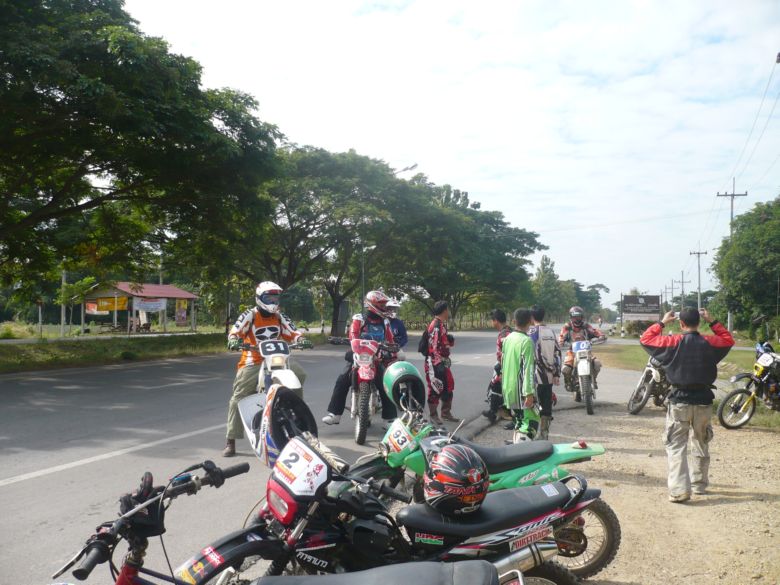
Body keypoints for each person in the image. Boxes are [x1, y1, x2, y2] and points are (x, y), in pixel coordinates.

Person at [640, 308, 733, 503]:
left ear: (681, 324)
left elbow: (646, 339)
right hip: (704, 400)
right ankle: (699, 485)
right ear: (699, 322)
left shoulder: (672, 342)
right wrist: (712, 321)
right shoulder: (709, 342)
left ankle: (680, 490)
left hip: (679, 401)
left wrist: (663, 322)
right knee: (701, 442)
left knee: (676, 445)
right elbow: (727, 339)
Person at [223, 281, 307, 457]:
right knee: (238, 397)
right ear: (260, 298)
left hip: (277, 358)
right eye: (269, 298)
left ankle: (298, 420)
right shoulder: (250, 315)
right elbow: (235, 331)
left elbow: (293, 331)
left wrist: (301, 339)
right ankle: (231, 440)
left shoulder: (279, 316)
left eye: (276, 298)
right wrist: (233, 340)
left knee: (299, 375)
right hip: (253, 360)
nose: (274, 301)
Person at [322, 291, 398, 427]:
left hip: (376, 358)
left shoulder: (385, 322)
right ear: (372, 304)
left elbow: (390, 340)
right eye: (381, 305)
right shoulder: (359, 319)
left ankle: (389, 419)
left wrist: (392, 350)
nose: (384, 307)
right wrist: (352, 344)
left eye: (384, 305)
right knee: (342, 380)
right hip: (359, 355)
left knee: (386, 383)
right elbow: (353, 335)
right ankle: (335, 414)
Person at [501, 308, 540, 443]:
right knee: (530, 423)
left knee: (519, 420)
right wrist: (529, 393)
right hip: (521, 391)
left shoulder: (507, 339)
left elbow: (503, 364)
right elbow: (528, 369)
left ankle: (515, 447)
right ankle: (521, 450)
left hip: (508, 389)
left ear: (514, 321)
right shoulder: (526, 341)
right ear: (530, 321)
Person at [558, 305, 604, 401]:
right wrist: (561, 342)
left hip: (586, 352)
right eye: (575, 317)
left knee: (597, 364)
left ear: (582, 316)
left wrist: (600, 336)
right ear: (571, 317)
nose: (577, 319)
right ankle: (568, 382)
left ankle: (593, 379)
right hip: (572, 352)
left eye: (578, 316)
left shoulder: (586, 326)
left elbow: (595, 331)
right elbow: (561, 337)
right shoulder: (567, 327)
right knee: (565, 369)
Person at [529, 305, 561, 440]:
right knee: (546, 405)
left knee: (534, 405)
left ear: (532, 317)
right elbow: (557, 352)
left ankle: (532, 434)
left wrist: (548, 368)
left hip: (537, 376)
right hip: (549, 377)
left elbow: (537, 356)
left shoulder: (533, 333)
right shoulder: (551, 332)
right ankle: (544, 434)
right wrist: (556, 372)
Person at [425, 301, 458, 425]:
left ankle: (446, 413)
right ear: (444, 311)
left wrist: (449, 341)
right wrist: (437, 363)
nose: (448, 312)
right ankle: (433, 415)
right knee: (435, 387)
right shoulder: (436, 325)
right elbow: (433, 347)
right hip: (434, 362)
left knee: (449, 385)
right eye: (447, 310)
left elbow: (442, 343)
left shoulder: (441, 324)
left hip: (442, 361)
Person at [482, 308, 513, 423]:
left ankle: (494, 412)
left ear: (496, 320)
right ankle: (498, 411)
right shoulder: (509, 331)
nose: (492, 323)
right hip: (507, 366)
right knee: (498, 387)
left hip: (506, 367)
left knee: (495, 386)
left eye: (492, 320)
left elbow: (506, 355)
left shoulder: (504, 334)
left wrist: (502, 371)